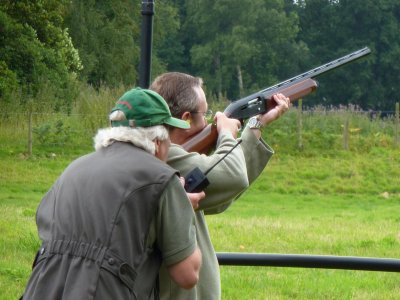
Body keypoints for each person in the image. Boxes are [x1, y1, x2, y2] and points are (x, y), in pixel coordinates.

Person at [22, 88, 202, 300]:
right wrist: (181, 211)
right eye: (169, 139)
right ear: (157, 142)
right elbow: (188, 274)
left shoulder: (74, 169)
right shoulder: (161, 177)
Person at [150, 72, 290, 299]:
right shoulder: (164, 157)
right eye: (204, 114)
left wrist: (256, 123)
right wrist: (226, 133)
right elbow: (232, 176)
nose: (208, 122)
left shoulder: (169, 155)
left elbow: (220, 193)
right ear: (186, 118)